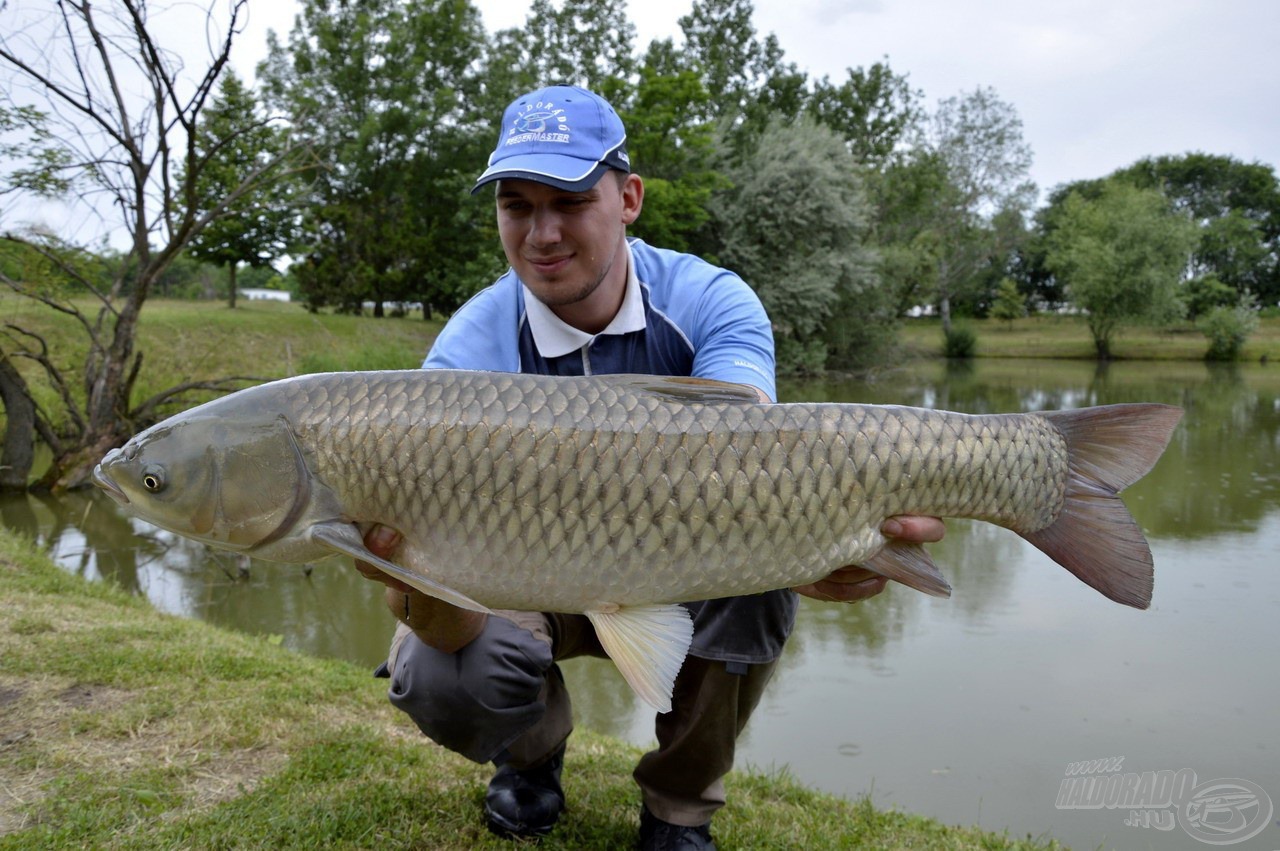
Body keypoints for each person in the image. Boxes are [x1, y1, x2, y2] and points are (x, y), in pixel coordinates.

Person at [355, 84, 945, 850]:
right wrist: (414, 590)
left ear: (628, 197)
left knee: (758, 590)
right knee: (443, 669)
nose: (541, 233)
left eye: (568, 200)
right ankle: (529, 758)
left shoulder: (710, 300)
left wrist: (823, 540)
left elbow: (754, 460)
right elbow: (429, 595)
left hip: (681, 558)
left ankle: (679, 805)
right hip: (525, 575)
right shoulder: (470, 348)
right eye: (516, 205)